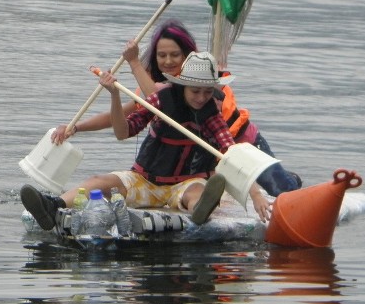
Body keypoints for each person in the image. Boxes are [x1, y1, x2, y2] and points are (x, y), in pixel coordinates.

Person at [21, 51, 271, 230]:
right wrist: (114, 96)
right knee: (98, 183)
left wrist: (256, 194)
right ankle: (52, 206)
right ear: (183, 86)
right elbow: (123, 132)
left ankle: (199, 212)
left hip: (182, 184)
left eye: (208, 91)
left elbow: (233, 153)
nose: (202, 98)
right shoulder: (161, 100)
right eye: (196, 91)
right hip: (144, 180)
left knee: (198, 192)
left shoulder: (211, 114)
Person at [50, 19, 301, 196]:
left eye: (175, 55)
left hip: (240, 143)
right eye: (162, 56)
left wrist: (134, 62)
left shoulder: (205, 85)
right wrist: (75, 127)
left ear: (187, 56)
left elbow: (165, 105)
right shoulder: (155, 87)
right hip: (205, 153)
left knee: (282, 190)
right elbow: (125, 116)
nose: (168, 61)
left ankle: (292, 179)